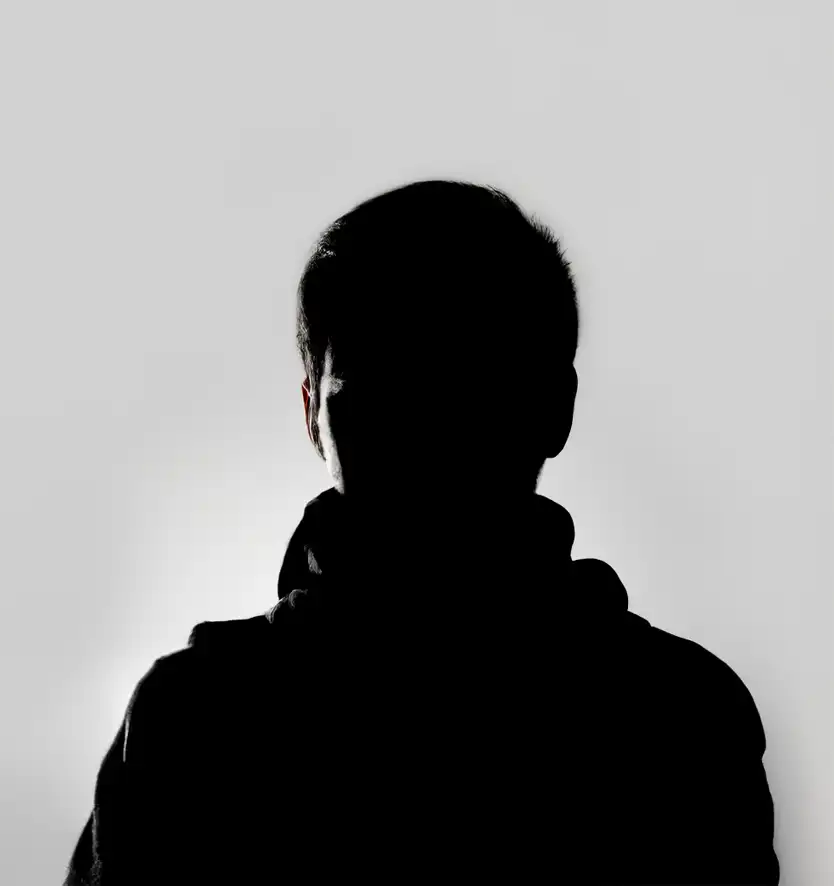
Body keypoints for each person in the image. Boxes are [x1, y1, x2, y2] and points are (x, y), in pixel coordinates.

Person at [64, 180, 780, 884]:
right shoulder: (683, 715)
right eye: (382, 388)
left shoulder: (198, 717)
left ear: (553, 405)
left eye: (473, 380)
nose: (428, 428)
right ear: (312, 413)